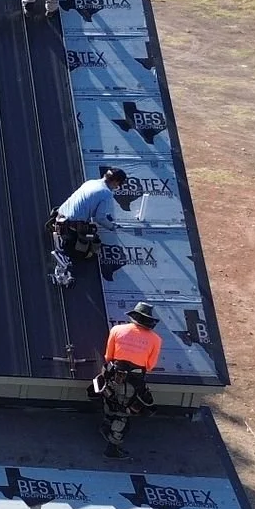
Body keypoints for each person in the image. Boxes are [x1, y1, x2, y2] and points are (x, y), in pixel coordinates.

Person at [98, 302, 162, 457]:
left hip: (112, 376)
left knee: (110, 401)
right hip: (132, 383)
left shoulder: (116, 330)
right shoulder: (156, 340)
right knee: (123, 413)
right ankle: (112, 448)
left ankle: (106, 425)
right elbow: (150, 365)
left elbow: (108, 356)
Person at [49, 166, 127, 286]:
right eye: (118, 184)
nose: (117, 187)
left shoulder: (91, 182)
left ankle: (61, 241)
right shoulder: (106, 193)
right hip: (69, 226)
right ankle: (64, 258)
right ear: (115, 181)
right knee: (87, 247)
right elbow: (99, 218)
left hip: (59, 216)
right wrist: (112, 226)